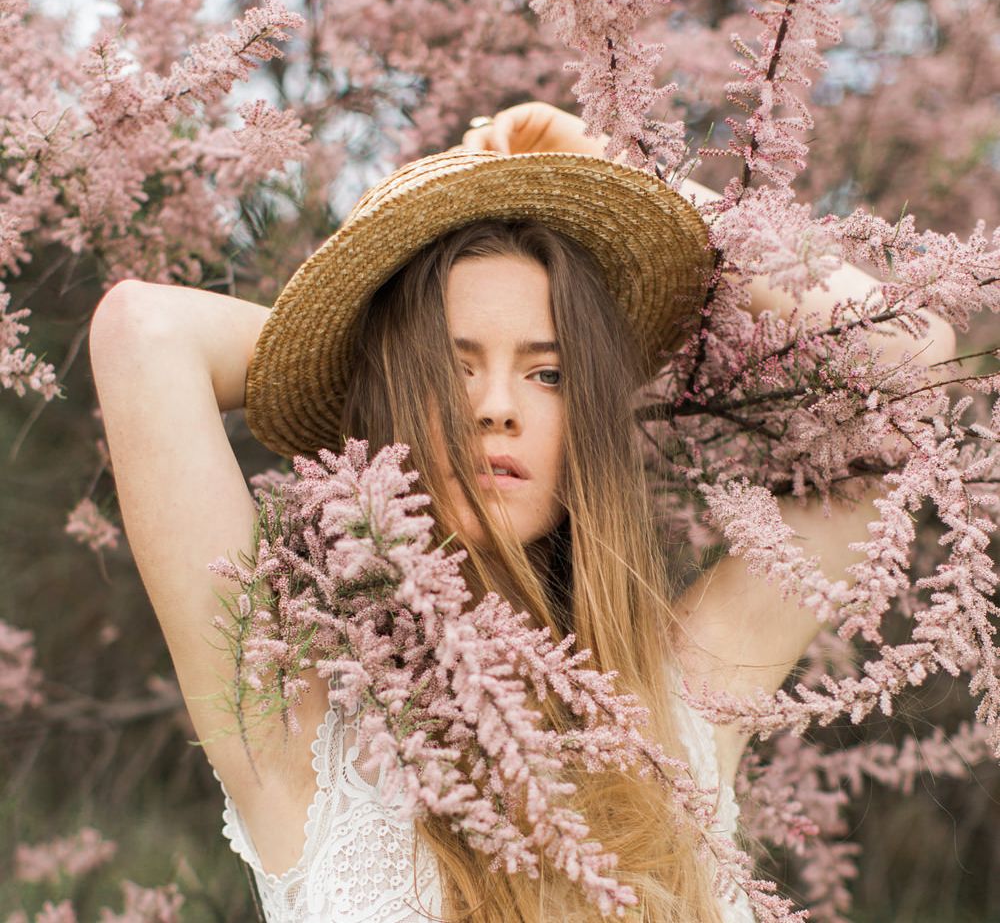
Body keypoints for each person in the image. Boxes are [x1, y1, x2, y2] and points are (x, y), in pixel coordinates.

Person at [88, 101, 956, 923]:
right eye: (451, 368)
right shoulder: (293, 727)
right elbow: (143, 332)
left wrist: (606, 159)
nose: (497, 407)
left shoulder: (685, 697)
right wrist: (363, 361)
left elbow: (914, 359)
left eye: (549, 374)